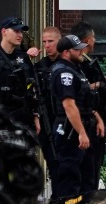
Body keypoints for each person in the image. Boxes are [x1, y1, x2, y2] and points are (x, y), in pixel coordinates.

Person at [42, 34, 99, 204]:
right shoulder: (63, 72)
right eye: (77, 49)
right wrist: (81, 132)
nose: (82, 51)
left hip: (82, 128)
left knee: (87, 177)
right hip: (70, 132)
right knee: (70, 177)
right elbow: (68, 105)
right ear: (66, 52)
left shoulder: (76, 70)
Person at [70, 22, 106, 195]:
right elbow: (83, 87)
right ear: (88, 40)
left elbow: (96, 81)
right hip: (87, 121)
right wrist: (99, 85)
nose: (95, 42)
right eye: (93, 38)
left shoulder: (86, 61)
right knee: (88, 170)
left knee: (93, 168)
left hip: (93, 120)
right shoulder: (78, 62)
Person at [0, 16, 40, 137]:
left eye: (21, 31)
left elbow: (33, 88)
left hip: (23, 118)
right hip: (2, 119)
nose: (20, 35)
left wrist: (36, 115)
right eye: (16, 31)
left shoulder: (23, 58)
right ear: (4, 32)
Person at [32, 26, 62, 171]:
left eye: (51, 41)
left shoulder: (67, 64)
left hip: (64, 121)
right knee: (51, 161)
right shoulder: (39, 66)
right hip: (46, 120)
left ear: (60, 42)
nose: (47, 45)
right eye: (44, 42)